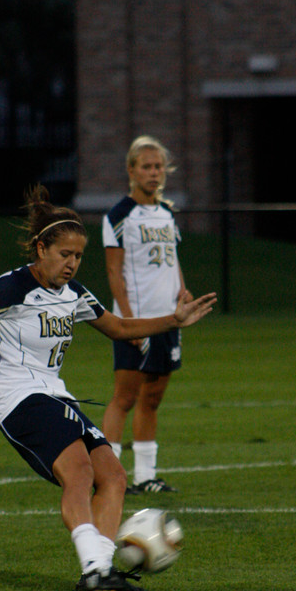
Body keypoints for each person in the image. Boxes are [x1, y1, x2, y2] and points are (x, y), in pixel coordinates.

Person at [0, 185, 216, 591]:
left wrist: (173, 320)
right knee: (79, 472)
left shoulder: (73, 295)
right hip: (18, 399)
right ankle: (94, 566)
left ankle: (101, 570)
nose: (72, 264)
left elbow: (121, 328)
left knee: (113, 476)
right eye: (65, 255)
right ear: (41, 248)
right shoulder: (9, 288)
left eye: (78, 256)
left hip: (55, 395)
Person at [101, 135, 191, 494]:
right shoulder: (120, 216)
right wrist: (126, 323)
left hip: (168, 319)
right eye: (147, 167)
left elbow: (173, 260)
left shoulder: (167, 213)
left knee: (153, 398)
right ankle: (109, 476)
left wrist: (182, 293)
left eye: (158, 167)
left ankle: (146, 477)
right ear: (131, 170)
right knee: (124, 398)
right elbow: (113, 273)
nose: (154, 173)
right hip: (136, 321)